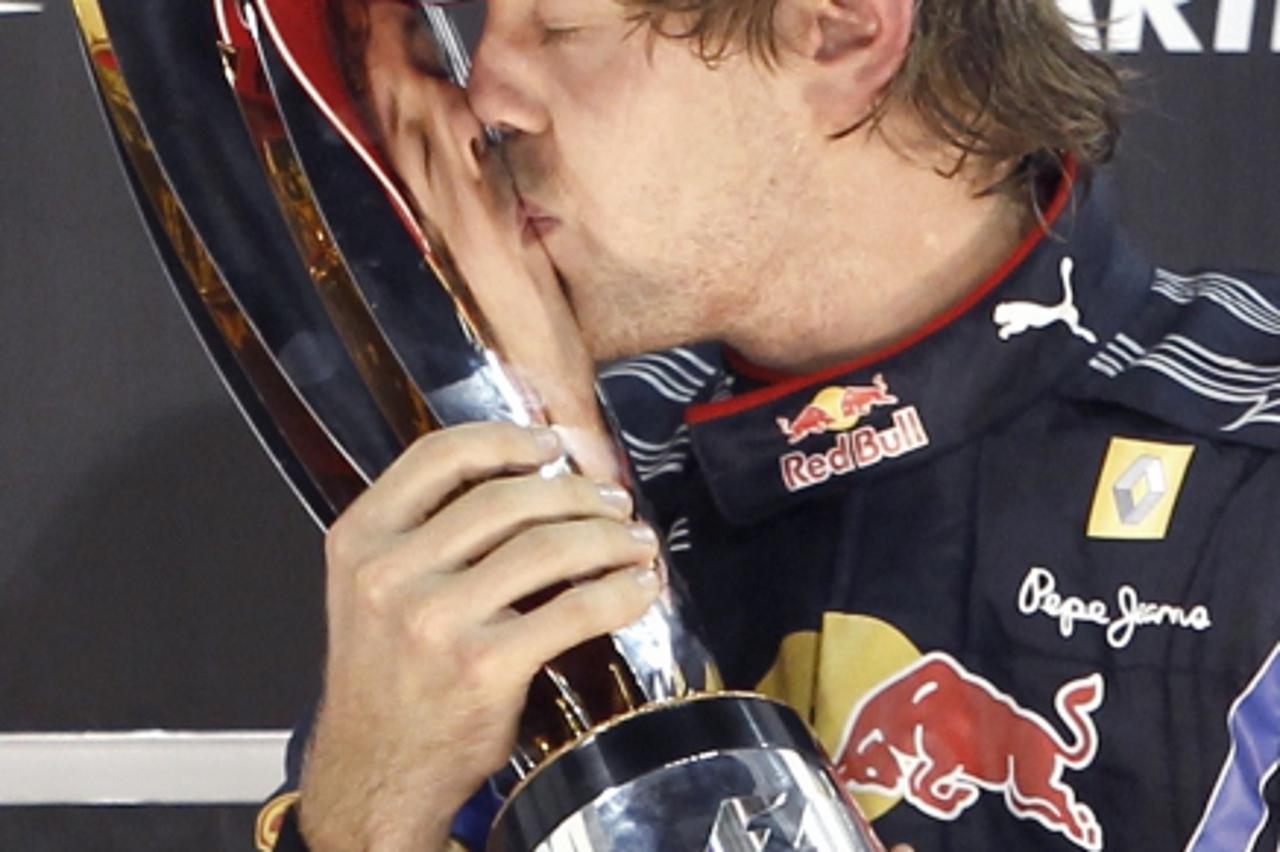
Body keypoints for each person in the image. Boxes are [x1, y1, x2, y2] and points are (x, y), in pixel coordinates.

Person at [257, 0, 1280, 849]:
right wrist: (361, 814)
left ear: (838, 31)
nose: (485, 96)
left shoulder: (1251, 479)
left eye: (559, 27)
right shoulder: (539, 497)